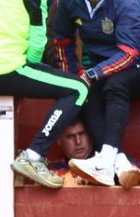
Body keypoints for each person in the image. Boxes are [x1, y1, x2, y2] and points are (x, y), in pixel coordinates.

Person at [0, 0, 88, 191]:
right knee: (78, 88)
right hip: (1, 69)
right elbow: (37, 46)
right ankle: (33, 156)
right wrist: (27, 79)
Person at [52, 0, 140, 185]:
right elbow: (62, 40)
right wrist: (73, 78)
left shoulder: (126, 3)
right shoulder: (70, 3)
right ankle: (121, 163)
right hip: (103, 69)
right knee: (85, 94)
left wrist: (92, 74)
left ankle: (106, 160)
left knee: (115, 85)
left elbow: (130, 53)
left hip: (133, 63)